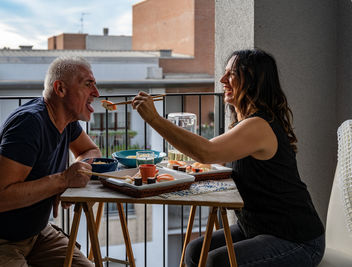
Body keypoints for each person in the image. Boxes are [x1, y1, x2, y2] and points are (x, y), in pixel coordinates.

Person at [132, 49, 325, 267]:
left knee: (218, 262)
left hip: (297, 238)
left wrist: (155, 119)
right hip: (257, 228)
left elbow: (206, 152)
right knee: (195, 251)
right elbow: (212, 157)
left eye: (231, 74)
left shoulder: (259, 126)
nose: (223, 80)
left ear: (253, 81)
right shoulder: (246, 124)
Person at [0, 56, 101, 267]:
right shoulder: (28, 124)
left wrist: (74, 176)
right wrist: (62, 180)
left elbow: (90, 150)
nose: (96, 93)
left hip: (36, 235)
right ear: (60, 89)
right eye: (88, 84)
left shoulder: (67, 121)